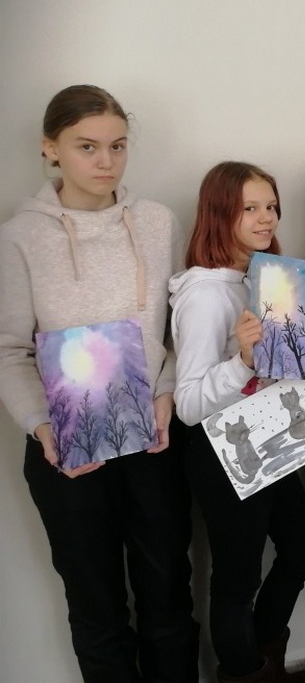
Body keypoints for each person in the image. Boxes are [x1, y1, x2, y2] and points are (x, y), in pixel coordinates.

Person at [0, 85, 198, 683]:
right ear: (51, 148)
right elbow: (9, 351)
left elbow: (176, 330)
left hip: (153, 439)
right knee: (95, 604)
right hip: (68, 449)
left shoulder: (157, 222)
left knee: (168, 592)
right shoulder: (20, 237)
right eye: (87, 146)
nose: (105, 161)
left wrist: (165, 393)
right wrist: (42, 426)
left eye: (117, 146)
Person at [170, 162, 305, 683]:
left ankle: (263, 661)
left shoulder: (264, 279)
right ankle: (247, 671)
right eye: (249, 208)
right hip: (222, 452)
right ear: (220, 213)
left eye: (271, 206)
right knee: (237, 580)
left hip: (268, 434)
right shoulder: (205, 294)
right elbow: (188, 404)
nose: (265, 218)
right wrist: (244, 362)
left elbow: (275, 367)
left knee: (300, 548)